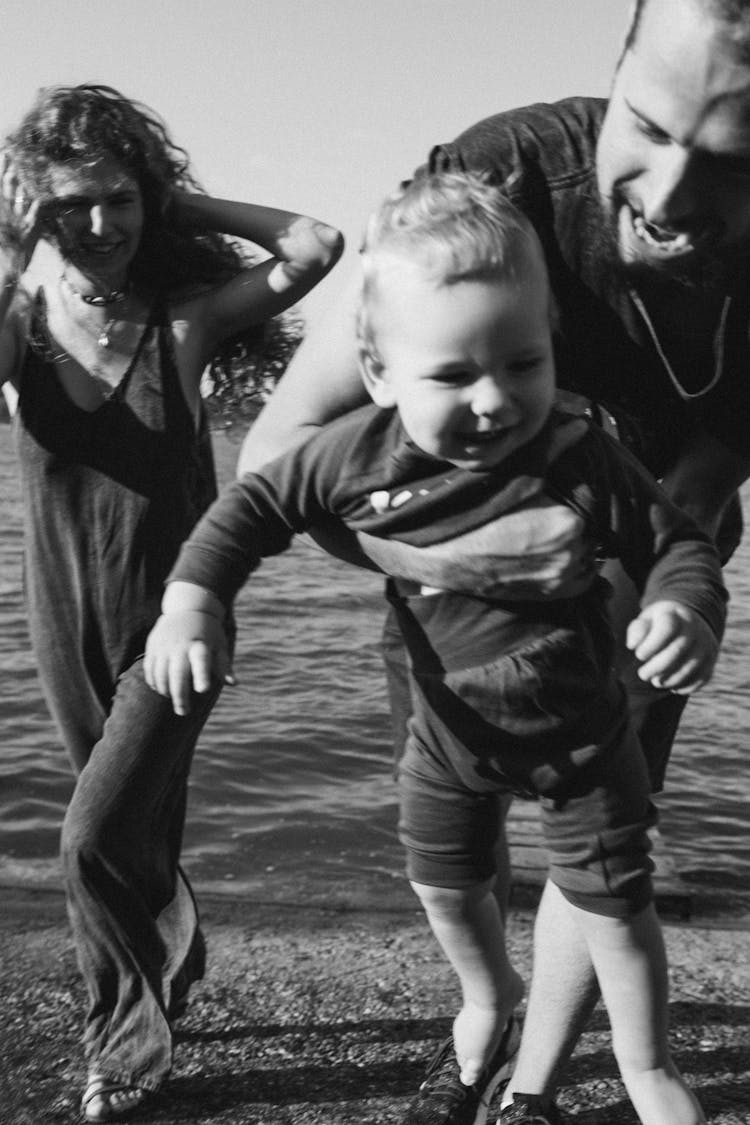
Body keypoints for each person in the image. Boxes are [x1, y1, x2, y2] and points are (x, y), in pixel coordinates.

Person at [233, 1, 750, 1120]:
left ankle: (529, 1087)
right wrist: (474, 563)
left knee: (601, 851)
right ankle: (487, 1007)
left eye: (732, 164)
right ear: (615, 70)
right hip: (444, 622)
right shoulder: (496, 180)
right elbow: (275, 457)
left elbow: (727, 435)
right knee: (453, 845)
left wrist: (681, 536)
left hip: (650, 588)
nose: (667, 200)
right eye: (648, 128)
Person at [144, 172, 724, 1125]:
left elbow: (679, 544)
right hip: (446, 739)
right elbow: (247, 510)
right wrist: (192, 603)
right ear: (379, 372)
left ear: (550, 349)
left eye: (523, 363)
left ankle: (647, 1064)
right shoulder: (358, 456)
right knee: (444, 882)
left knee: (617, 906)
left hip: (582, 741)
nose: (495, 400)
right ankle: (489, 995)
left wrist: (686, 612)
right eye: (453, 375)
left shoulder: (580, 456)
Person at [0, 83, 342, 1122]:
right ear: (29, 208)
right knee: (138, 831)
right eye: (70, 206)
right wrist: (20, 254)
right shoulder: (22, 327)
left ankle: (124, 1053)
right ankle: (171, 973)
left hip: (179, 624)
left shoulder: (182, 321)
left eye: (119, 200)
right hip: (64, 621)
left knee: (92, 838)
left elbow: (315, 243)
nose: (99, 226)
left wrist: (178, 203)